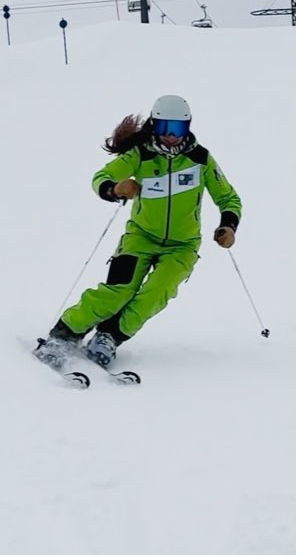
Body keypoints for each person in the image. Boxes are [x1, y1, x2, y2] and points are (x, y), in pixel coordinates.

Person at [38, 94, 241, 368]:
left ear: (188, 126)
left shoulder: (200, 159)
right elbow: (100, 178)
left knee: (156, 294)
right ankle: (63, 334)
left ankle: (109, 337)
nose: (171, 136)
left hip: (182, 246)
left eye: (178, 128)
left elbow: (229, 198)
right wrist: (115, 189)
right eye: (165, 127)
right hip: (140, 238)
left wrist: (228, 226)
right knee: (118, 290)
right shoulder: (140, 155)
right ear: (154, 125)